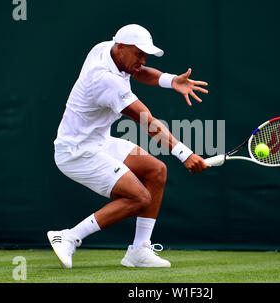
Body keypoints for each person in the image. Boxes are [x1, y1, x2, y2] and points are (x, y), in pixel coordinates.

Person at [48, 24, 209, 268]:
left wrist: (171, 80)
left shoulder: (107, 49)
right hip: (77, 153)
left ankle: (139, 251)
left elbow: (138, 71)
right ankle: (69, 236)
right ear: (121, 47)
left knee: (156, 171)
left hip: (99, 141)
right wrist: (184, 154)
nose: (142, 60)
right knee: (140, 198)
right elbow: (148, 121)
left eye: (145, 55)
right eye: (139, 54)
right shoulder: (106, 80)